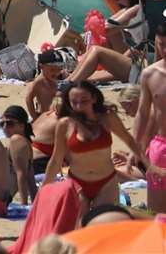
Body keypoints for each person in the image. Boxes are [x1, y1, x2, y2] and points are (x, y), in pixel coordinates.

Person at [44, 80, 144, 209]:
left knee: (101, 223)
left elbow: (129, 140)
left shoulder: (107, 118)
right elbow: (56, 159)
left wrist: (149, 166)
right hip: (77, 182)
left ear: (94, 99)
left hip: (106, 183)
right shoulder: (65, 124)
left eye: (84, 101)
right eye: (74, 102)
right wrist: (45, 189)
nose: (79, 106)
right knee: (79, 226)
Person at [132, 20, 166, 210]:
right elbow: (143, 113)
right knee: (158, 214)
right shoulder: (150, 74)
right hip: (161, 149)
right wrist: (135, 145)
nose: (165, 49)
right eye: (162, 45)